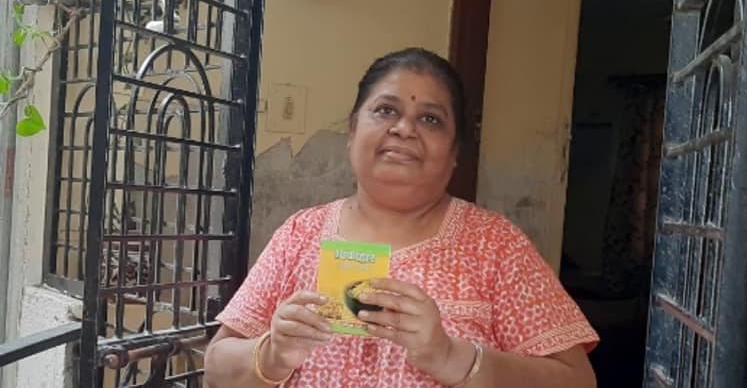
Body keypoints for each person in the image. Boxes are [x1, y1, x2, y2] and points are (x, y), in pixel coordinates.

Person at [204, 48, 599, 387]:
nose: (404, 128)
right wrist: (271, 353)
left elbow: (577, 380)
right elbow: (216, 369)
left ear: (455, 152)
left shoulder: (495, 245)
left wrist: (452, 357)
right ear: (352, 132)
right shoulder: (301, 233)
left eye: (430, 119)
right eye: (386, 110)